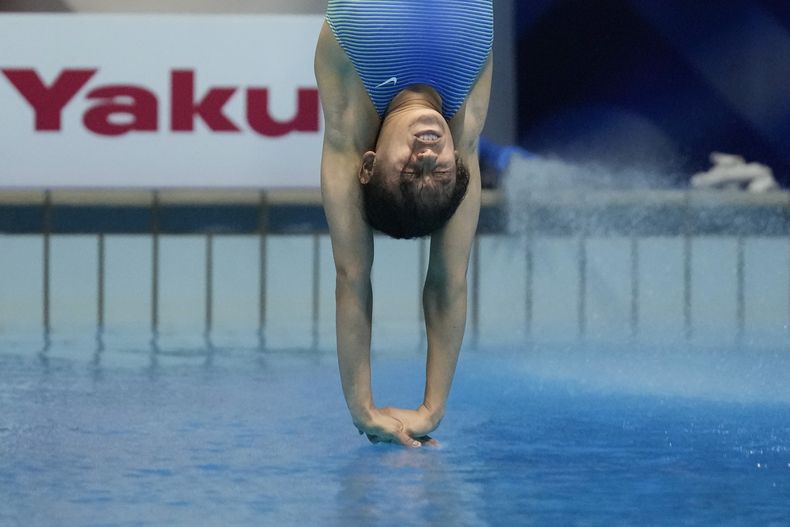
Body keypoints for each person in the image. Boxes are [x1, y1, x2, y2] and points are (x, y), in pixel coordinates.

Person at [315, 0, 493, 448]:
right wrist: (432, 409)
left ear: (368, 166)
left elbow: (352, 275)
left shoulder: (350, 119)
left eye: (411, 171)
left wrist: (363, 407)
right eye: (440, 171)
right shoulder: (464, 125)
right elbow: (450, 281)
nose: (428, 156)